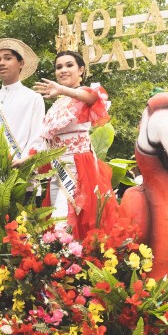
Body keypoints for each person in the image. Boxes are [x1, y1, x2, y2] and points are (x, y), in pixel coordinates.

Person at [25, 50, 116, 236]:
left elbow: (93, 98)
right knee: (54, 219)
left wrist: (63, 90)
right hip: (57, 168)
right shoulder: (58, 105)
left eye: (69, 65)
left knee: (64, 221)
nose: (63, 70)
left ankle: (69, 262)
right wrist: (25, 160)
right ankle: (64, 262)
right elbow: (44, 139)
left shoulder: (81, 94)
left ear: (81, 70)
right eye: (59, 67)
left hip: (77, 168)